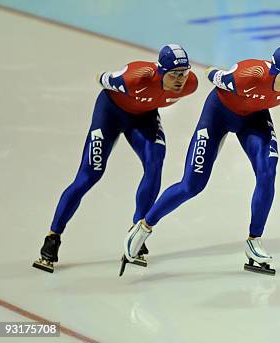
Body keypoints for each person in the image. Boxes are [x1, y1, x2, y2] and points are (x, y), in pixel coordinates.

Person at [121, 46, 280, 276]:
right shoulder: (250, 74)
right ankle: (143, 227)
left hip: (254, 119)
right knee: (192, 185)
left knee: (268, 173)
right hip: (218, 115)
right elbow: (213, 75)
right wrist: (214, 71)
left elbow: (274, 93)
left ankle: (254, 240)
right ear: (274, 71)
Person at [33, 44, 198, 273]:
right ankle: (53, 237)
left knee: (155, 164)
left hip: (143, 118)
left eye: (184, 73)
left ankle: (137, 232)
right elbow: (101, 78)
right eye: (174, 74)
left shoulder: (191, 85)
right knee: (89, 175)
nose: (180, 80)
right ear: (160, 71)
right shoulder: (135, 77)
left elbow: (164, 93)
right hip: (110, 113)